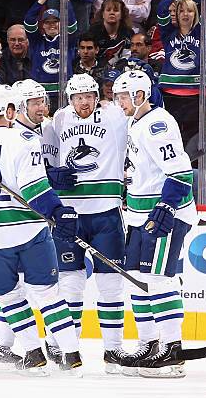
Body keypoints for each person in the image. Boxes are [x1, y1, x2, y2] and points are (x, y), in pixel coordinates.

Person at [0, 84, 82, 374]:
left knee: (9, 297)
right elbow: (35, 189)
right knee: (48, 294)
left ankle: (33, 354)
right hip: (28, 230)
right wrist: (58, 212)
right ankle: (71, 355)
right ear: (10, 111)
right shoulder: (24, 138)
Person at [112, 69, 197, 378]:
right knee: (135, 276)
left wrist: (166, 208)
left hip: (163, 216)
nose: (118, 102)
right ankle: (150, 343)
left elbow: (181, 173)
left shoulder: (158, 125)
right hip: (138, 214)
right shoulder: (136, 123)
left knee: (158, 278)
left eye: (123, 96)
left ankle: (173, 349)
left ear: (139, 96)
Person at [41, 73, 128, 374]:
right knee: (70, 284)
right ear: (69, 99)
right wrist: (51, 176)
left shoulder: (115, 116)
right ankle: (67, 348)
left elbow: (138, 109)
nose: (84, 102)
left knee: (110, 285)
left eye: (89, 95)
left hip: (106, 212)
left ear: (97, 96)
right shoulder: (58, 120)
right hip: (69, 213)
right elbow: (40, 159)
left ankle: (114, 350)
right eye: (78, 97)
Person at [157, 0, 203, 147]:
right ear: (176, 13)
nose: (185, 14)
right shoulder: (168, 32)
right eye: (181, 10)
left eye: (190, 10)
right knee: (171, 135)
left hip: (195, 93)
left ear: (195, 13)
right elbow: (161, 9)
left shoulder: (200, 32)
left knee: (192, 139)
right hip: (170, 92)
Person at [24, 0, 78, 113]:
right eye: (47, 22)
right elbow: (29, 21)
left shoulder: (67, 40)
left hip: (64, 95)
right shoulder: (37, 42)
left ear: (61, 23)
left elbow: (72, 24)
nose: (52, 24)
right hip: (42, 97)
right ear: (42, 25)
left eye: (55, 21)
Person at [89, 0, 134, 69]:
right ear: (103, 14)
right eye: (108, 10)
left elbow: (129, 56)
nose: (112, 13)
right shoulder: (93, 32)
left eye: (116, 10)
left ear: (122, 14)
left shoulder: (129, 33)